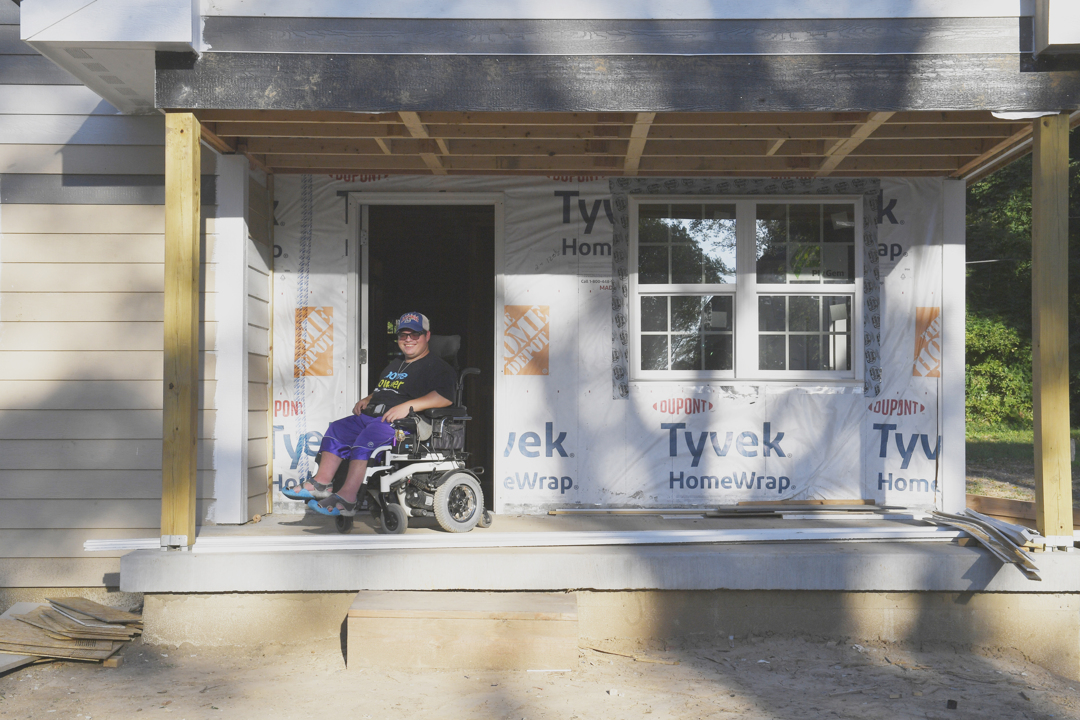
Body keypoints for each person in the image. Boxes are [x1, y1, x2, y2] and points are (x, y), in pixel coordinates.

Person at [283, 312, 457, 517]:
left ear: (427, 336)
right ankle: (321, 484)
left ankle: (348, 498)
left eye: (415, 334)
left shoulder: (437, 367)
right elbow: (389, 390)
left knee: (368, 437)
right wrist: (368, 398)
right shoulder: (395, 364)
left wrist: (408, 406)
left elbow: (445, 397)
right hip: (375, 417)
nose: (408, 339)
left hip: (405, 423)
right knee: (338, 428)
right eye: (403, 335)